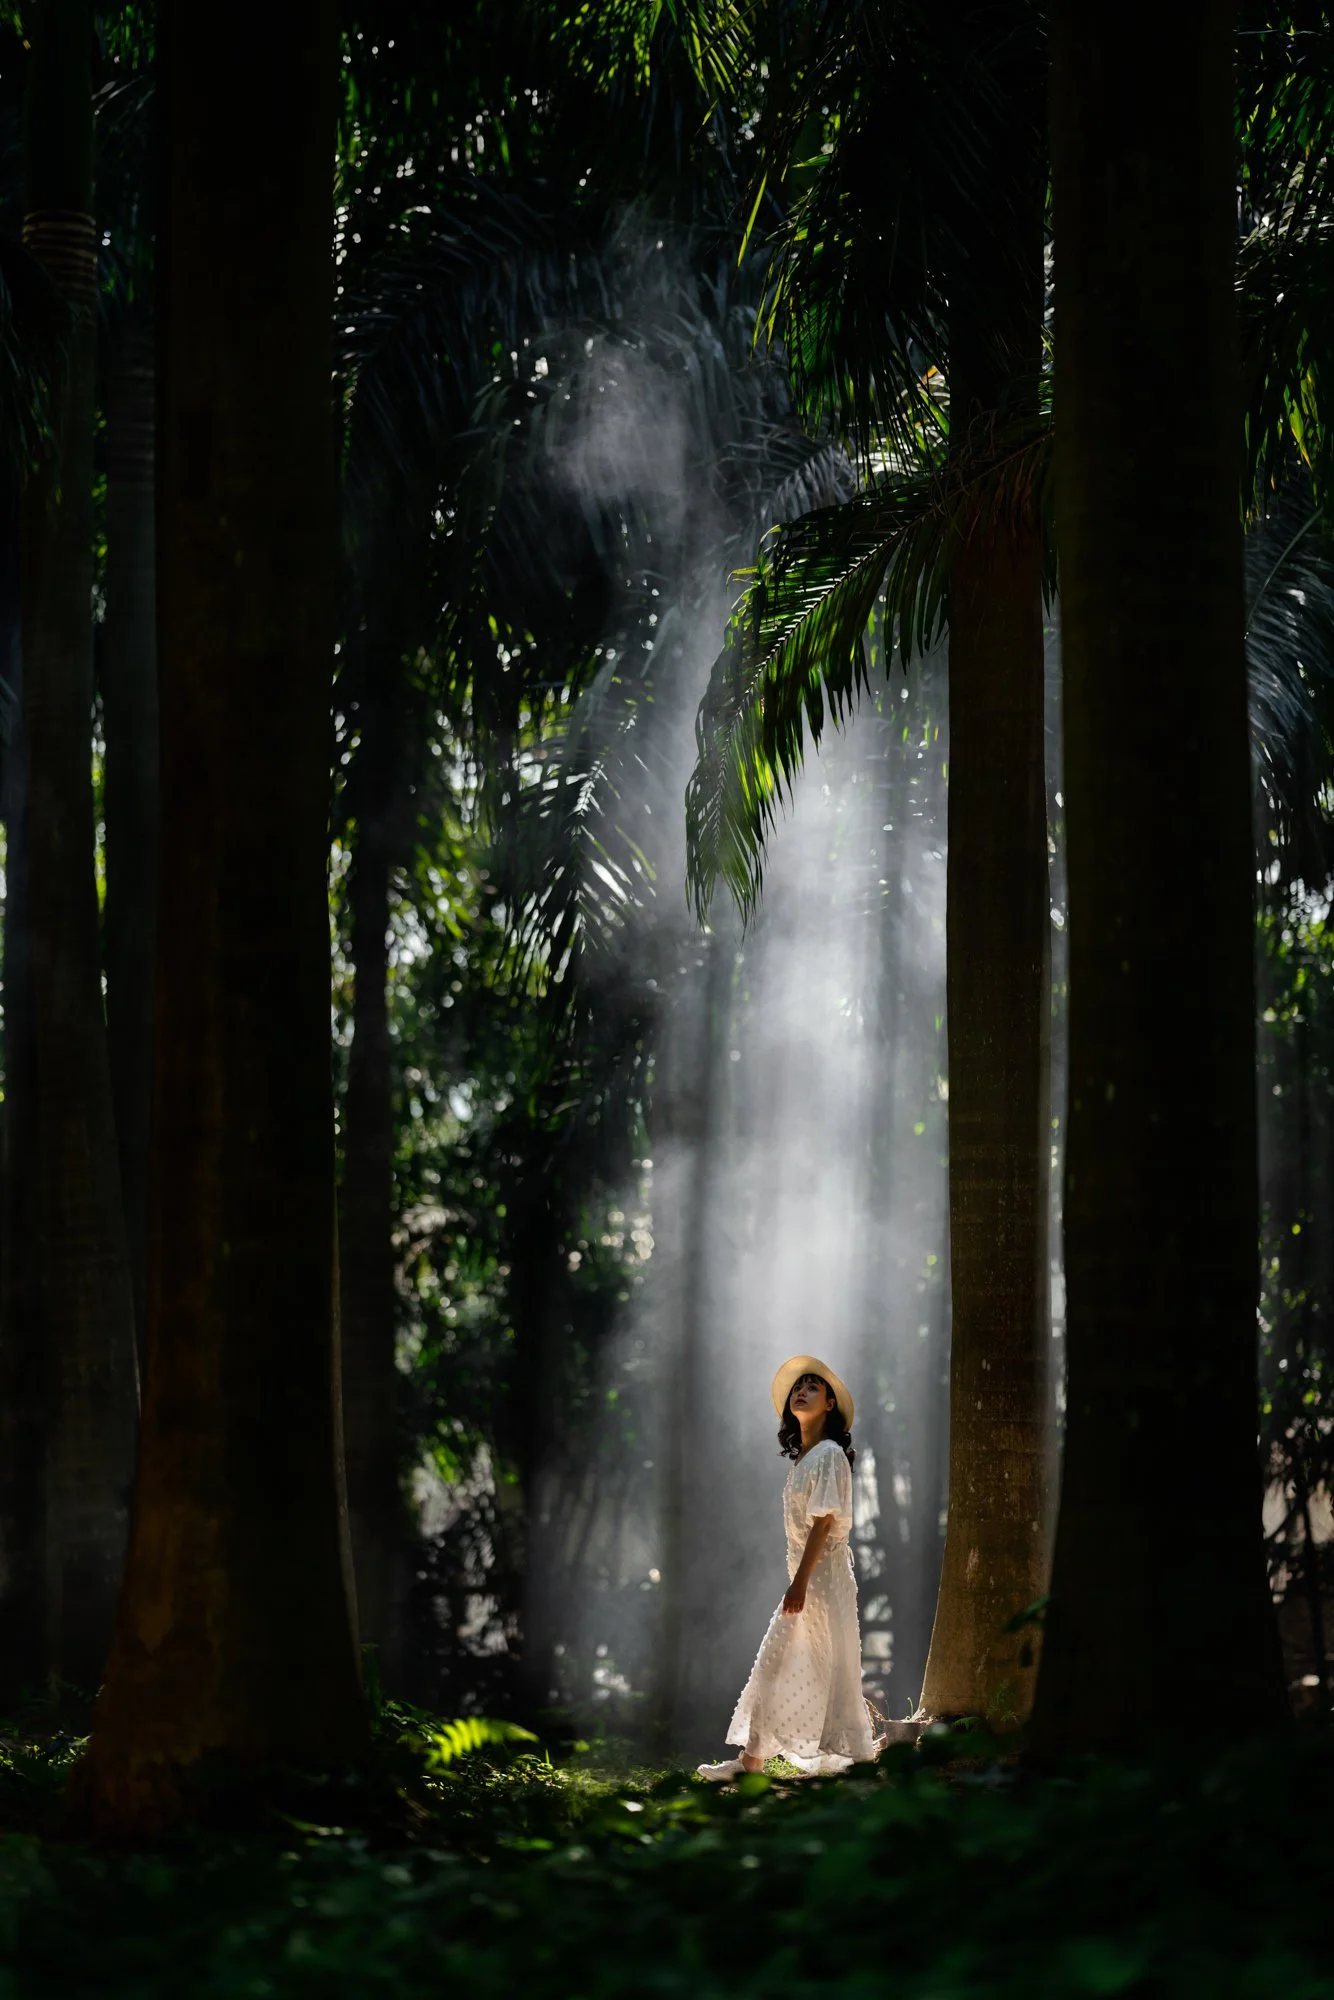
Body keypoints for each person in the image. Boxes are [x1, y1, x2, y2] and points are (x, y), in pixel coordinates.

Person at [696, 1354, 881, 1781]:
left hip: (822, 1580)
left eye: (813, 1387)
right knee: (780, 1663)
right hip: (807, 1577)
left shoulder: (830, 1454)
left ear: (830, 1404)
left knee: (812, 1665)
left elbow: (824, 1523)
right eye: (798, 1387)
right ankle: (753, 1763)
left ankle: (848, 1761)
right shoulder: (806, 1459)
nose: (801, 1392)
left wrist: (799, 1584)